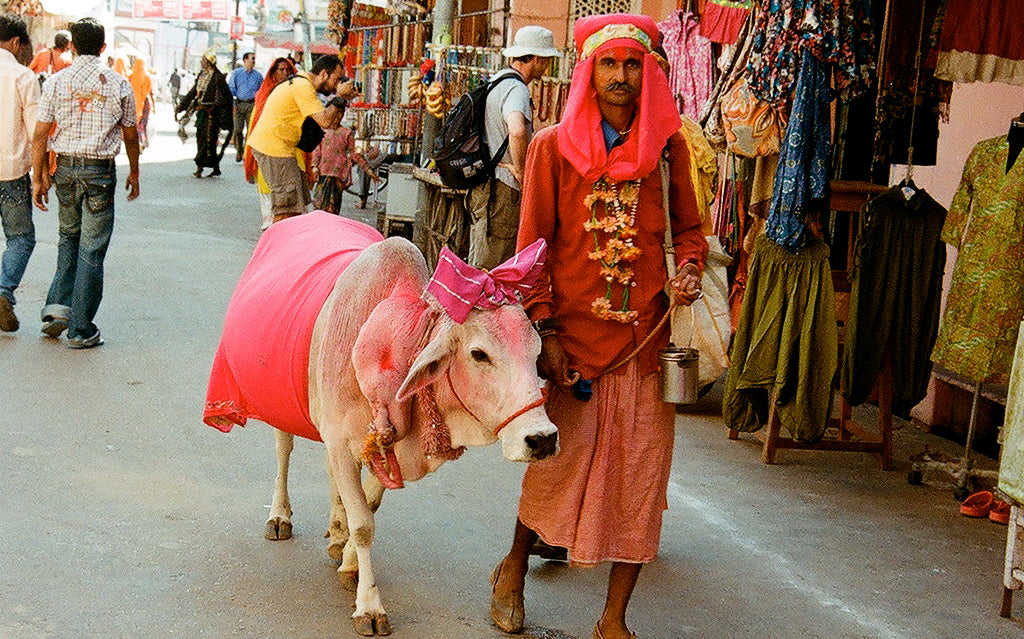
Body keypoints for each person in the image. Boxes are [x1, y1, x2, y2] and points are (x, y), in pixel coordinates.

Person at [488, 13, 707, 639]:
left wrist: (688, 267)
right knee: (556, 466)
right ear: (588, 72)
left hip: (645, 345)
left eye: (632, 65)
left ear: (649, 74)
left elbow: (691, 231)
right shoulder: (550, 148)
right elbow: (531, 250)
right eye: (609, 64)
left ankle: (614, 618)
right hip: (573, 349)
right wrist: (547, 333)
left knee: (640, 475)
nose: (620, 76)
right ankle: (514, 567)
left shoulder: (670, 147)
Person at [30, 17, 139, 349]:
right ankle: (80, 329)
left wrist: (39, 177)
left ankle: (57, 309)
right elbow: (131, 134)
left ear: (73, 46)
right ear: (103, 47)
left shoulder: (56, 82)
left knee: (68, 239)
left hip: (64, 169)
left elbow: (39, 135)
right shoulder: (119, 83)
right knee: (92, 249)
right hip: (99, 173)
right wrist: (135, 171)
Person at [466, 25, 561, 270]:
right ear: (537, 59)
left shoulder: (497, 81)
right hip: (503, 188)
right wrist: (521, 169)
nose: (547, 66)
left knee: (482, 260)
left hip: (487, 182)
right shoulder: (516, 88)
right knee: (495, 266)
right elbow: (517, 129)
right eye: (547, 60)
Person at [245, 54, 357, 224]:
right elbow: (326, 121)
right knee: (286, 208)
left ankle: (286, 244)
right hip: (273, 148)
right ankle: (277, 247)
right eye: (337, 79)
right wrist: (339, 98)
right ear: (324, 74)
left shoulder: (303, 84)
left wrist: (342, 100)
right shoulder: (302, 86)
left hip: (280, 148)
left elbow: (331, 122)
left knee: (297, 206)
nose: (338, 85)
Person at [0, 13, 38, 333]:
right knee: (21, 238)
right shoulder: (23, 76)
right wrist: (41, 176)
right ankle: (2, 290)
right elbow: (37, 132)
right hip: (11, 172)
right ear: (15, 42)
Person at [176, 51, 232, 177]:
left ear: (208, 62)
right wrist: (181, 106)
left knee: (209, 140)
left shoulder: (217, 78)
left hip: (213, 115)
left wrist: (220, 109)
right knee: (201, 138)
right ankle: (212, 166)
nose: (201, 62)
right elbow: (193, 92)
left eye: (203, 60)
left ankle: (201, 166)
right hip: (202, 112)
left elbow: (227, 97)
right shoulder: (202, 75)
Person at [228, 52, 262, 162]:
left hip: (252, 105)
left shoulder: (258, 76)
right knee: (237, 129)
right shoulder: (237, 74)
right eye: (252, 59)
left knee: (250, 131)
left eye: (254, 59)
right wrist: (232, 102)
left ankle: (245, 152)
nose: (253, 61)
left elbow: (261, 91)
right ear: (245, 60)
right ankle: (239, 149)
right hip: (239, 104)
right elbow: (231, 88)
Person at [129, 57, 155, 151]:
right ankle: (142, 142)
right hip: (144, 104)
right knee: (142, 124)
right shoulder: (147, 77)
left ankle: (137, 143)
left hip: (132, 103)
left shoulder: (131, 76)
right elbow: (149, 91)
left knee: (135, 125)